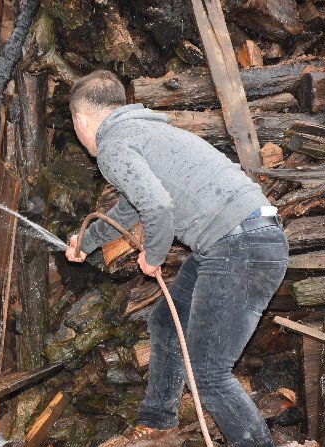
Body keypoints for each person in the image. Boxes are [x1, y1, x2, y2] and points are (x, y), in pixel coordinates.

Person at [65, 70, 288, 447]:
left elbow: (157, 206)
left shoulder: (113, 146)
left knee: (208, 374)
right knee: (168, 323)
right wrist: (86, 243)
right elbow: (130, 208)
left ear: (81, 120)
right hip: (248, 233)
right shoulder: (143, 129)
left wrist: (154, 256)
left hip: (239, 243)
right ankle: (159, 419)